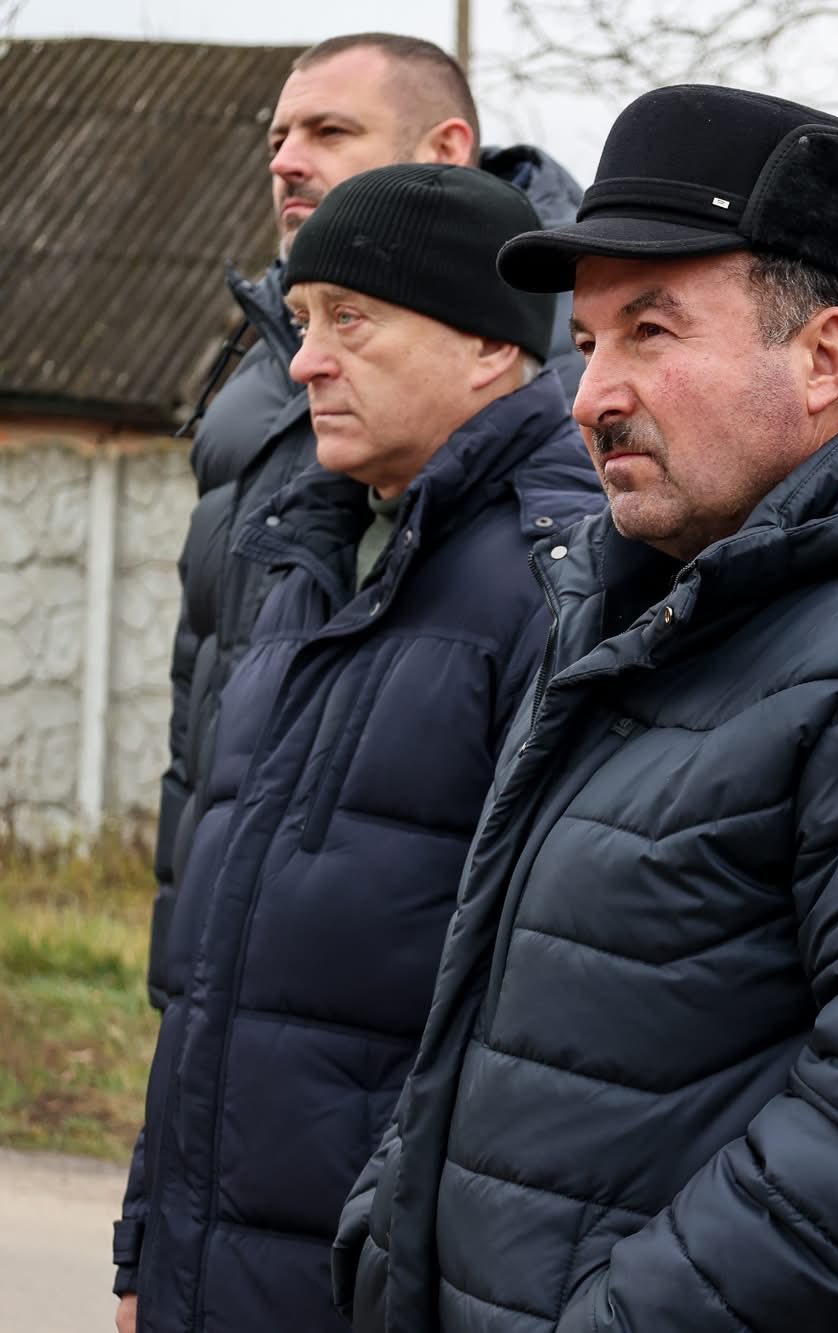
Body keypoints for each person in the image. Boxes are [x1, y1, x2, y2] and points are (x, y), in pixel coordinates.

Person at [330, 85, 838, 1333]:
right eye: (587, 339)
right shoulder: (636, 604)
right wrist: (387, 1234)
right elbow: (508, 1007)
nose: (590, 392)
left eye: (650, 330)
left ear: (822, 357)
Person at [113, 165, 602, 1333]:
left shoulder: (562, 587)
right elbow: (212, 978)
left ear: (487, 345)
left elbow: (536, 1030)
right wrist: (144, 1247)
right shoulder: (307, 558)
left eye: (350, 319)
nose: (304, 363)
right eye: (301, 320)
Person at [144, 31, 585, 1013]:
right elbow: (207, 687)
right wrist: (186, 967)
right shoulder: (255, 386)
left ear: (446, 148)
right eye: (277, 138)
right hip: (226, 979)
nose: (287, 161)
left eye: (329, 130)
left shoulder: (565, 363)